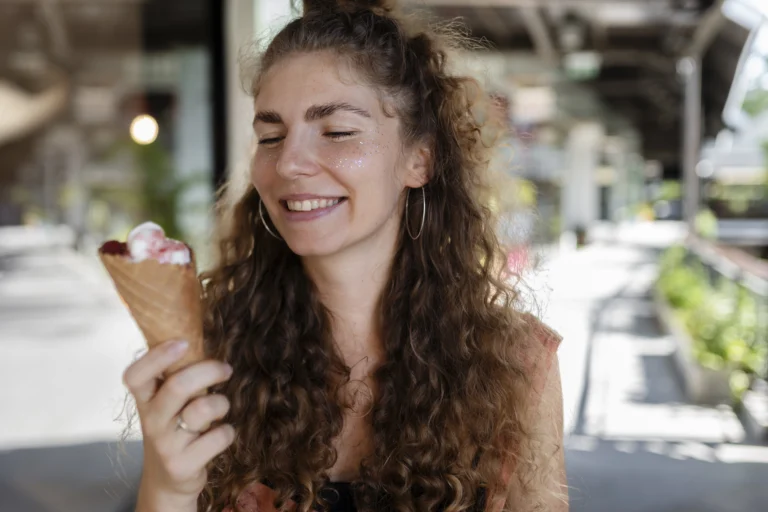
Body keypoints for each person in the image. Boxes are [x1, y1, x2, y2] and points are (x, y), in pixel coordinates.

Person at [123, 0, 567, 510]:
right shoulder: (210, 358)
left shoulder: (516, 366)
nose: (288, 162)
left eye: (336, 132)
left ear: (419, 159)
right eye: (271, 136)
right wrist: (165, 489)